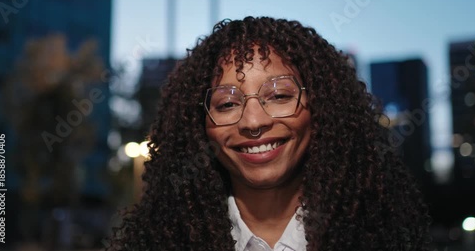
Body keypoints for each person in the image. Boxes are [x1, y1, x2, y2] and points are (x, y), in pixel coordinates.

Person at [107, 16, 432, 250]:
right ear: (200, 128)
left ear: (321, 110)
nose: (252, 122)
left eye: (279, 96)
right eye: (226, 103)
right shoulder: (158, 241)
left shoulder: (386, 238)